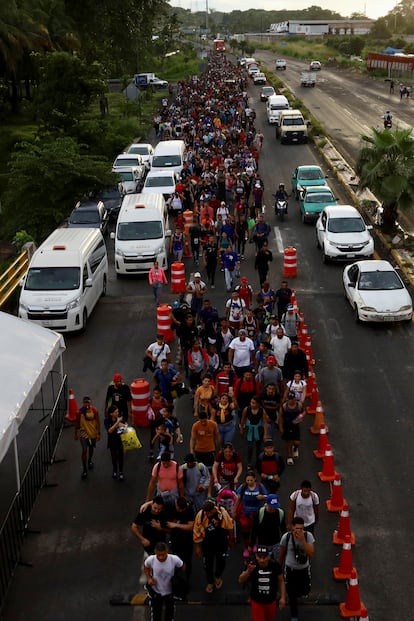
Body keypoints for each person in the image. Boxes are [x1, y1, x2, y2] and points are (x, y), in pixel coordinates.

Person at [193, 499, 234, 593]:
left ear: (213, 510)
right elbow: (196, 530)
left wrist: (231, 540)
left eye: (209, 512)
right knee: (207, 564)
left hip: (221, 542)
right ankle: (210, 582)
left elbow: (230, 526)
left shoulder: (222, 513)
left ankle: (218, 576)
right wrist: (197, 546)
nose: (207, 514)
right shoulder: (201, 515)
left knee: (221, 562)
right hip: (207, 543)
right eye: (205, 512)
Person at [279, 516, 315, 621]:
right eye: (296, 529)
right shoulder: (286, 537)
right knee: (291, 594)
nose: (299, 531)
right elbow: (282, 554)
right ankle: (294, 615)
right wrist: (279, 569)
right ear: (292, 527)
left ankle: (300, 594)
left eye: (301, 529)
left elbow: (311, 554)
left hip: (304, 570)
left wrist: (303, 541)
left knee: (305, 590)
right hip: (291, 570)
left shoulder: (308, 536)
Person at [238, 545, 286, 621]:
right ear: (256, 556)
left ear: (268, 557)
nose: (262, 560)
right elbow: (240, 580)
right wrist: (248, 572)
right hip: (257, 602)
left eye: (264, 557)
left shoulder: (275, 565)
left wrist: (283, 597)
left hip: (271, 601)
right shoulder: (252, 565)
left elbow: (281, 580)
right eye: (259, 557)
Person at [144, 541, 184, 621]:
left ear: (167, 551)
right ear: (155, 552)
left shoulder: (174, 559)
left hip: (170, 592)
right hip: (156, 591)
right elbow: (146, 567)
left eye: (163, 555)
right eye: (159, 555)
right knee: (156, 614)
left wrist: (175, 579)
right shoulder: (151, 559)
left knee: (169, 614)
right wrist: (149, 578)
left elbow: (183, 567)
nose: (161, 557)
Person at [233, 470, 268, 555]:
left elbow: (267, 497)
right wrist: (234, 511)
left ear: (255, 479)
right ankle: (246, 547)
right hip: (245, 513)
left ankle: (255, 544)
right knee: (245, 530)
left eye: (251, 480)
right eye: (247, 480)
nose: (249, 482)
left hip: (257, 512)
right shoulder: (243, 487)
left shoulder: (260, 486)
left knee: (256, 529)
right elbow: (238, 499)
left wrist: (262, 497)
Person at [249, 495, 287, 561]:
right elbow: (254, 529)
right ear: (267, 504)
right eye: (271, 506)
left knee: (276, 562)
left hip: (276, 543)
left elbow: (283, 529)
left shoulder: (280, 513)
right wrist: (251, 544)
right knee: (262, 562)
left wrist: (286, 543)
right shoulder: (260, 513)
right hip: (262, 543)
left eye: (275, 507)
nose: (273, 509)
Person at [166, 497, 195, 578]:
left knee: (187, 559)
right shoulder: (170, 504)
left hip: (187, 539)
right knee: (175, 557)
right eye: (179, 509)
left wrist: (175, 525)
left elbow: (190, 527)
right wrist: (147, 503)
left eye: (183, 509)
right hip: (175, 538)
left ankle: (187, 577)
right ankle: (176, 576)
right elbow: (158, 502)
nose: (181, 511)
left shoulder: (189, 510)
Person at [74, 396, 101, 480]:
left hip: (92, 432)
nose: (87, 404)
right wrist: (76, 433)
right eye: (85, 402)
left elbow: (98, 421)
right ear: (83, 403)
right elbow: (77, 423)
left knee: (91, 448)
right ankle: (84, 469)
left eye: (88, 402)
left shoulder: (94, 410)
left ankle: (89, 460)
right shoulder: (79, 412)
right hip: (83, 433)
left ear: (90, 403)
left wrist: (98, 433)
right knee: (84, 450)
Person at [240, 396, 269, 465]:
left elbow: (265, 422)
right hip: (249, 428)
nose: (252, 404)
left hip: (258, 429)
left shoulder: (262, 411)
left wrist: (265, 434)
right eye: (251, 403)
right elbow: (243, 419)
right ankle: (249, 462)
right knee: (250, 447)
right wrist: (241, 429)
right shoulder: (247, 409)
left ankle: (258, 461)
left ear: (258, 404)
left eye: (253, 403)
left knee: (258, 447)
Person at [278, 392, 304, 466]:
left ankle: (295, 448)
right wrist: (280, 427)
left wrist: (299, 420)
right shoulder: (284, 406)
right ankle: (289, 456)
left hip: (295, 426)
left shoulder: (299, 405)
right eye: (289, 399)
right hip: (287, 426)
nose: (290, 400)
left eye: (292, 399)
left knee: (297, 443)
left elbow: (302, 414)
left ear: (295, 399)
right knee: (288, 442)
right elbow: (280, 417)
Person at [104, 404, 126, 480]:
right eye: (116, 412)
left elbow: (125, 425)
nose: (117, 413)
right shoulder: (106, 421)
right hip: (112, 441)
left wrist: (121, 424)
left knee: (120, 456)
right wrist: (117, 423)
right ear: (111, 413)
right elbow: (110, 430)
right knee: (114, 457)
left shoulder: (119, 418)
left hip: (120, 440)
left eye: (118, 412)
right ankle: (115, 470)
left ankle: (121, 472)